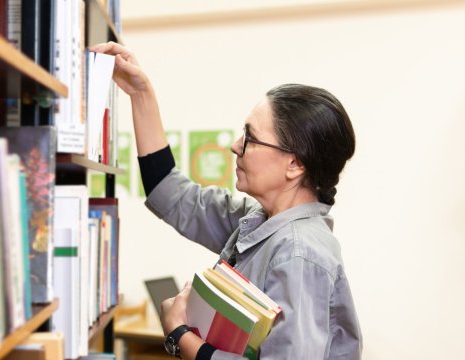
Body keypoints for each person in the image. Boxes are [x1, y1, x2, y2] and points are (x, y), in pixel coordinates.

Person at [90, 42, 362, 360]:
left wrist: (180, 336)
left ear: (295, 164)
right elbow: (172, 194)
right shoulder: (256, 222)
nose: (235, 146)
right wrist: (140, 93)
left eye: (250, 138)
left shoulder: (298, 254)